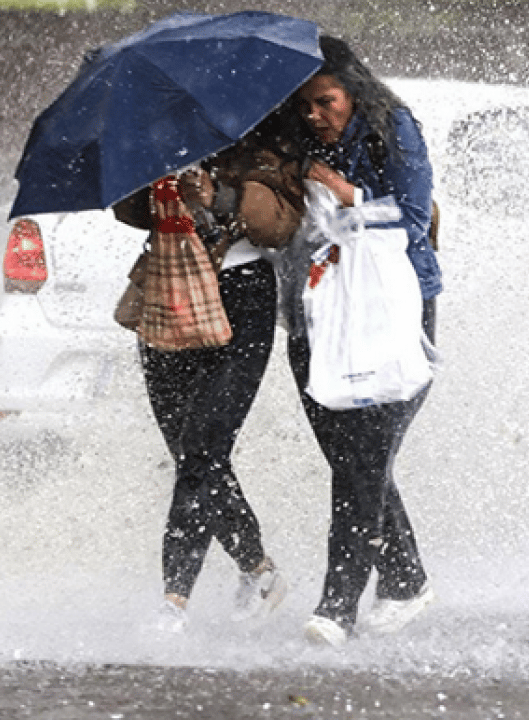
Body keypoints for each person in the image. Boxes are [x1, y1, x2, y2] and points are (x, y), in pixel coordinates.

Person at [278, 35, 443, 647]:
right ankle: (405, 580)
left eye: (326, 102)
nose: (316, 117)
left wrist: (347, 194)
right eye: (304, 108)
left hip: (392, 309)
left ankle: (336, 607)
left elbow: (414, 211)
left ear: (353, 90)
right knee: (351, 460)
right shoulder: (292, 146)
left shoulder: (392, 127)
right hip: (317, 314)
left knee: (364, 459)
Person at [114, 113, 306, 633]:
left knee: (203, 449)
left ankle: (173, 601)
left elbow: (281, 224)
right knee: (190, 454)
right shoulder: (156, 134)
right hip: (168, 290)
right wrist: (151, 176)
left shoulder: (266, 136)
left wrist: (218, 195)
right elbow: (125, 209)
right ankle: (260, 571)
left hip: (242, 298)